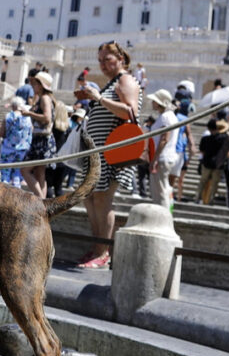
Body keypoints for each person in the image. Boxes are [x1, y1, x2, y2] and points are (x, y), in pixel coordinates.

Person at [74, 41, 142, 269]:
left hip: (110, 152)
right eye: (100, 60)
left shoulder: (126, 80)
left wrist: (99, 98)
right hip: (97, 151)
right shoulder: (113, 82)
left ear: (121, 59)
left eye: (108, 59)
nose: (103, 64)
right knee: (89, 198)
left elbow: (130, 111)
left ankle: (104, 252)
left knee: (103, 199)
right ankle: (97, 247)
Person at [20, 71, 58, 198]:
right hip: (42, 139)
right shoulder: (42, 98)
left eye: (35, 83)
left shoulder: (45, 98)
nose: (32, 86)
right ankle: (42, 203)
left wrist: (29, 114)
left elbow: (46, 118)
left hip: (43, 140)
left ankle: (40, 201)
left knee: (24, 170)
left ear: (41, 85)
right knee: (39, 173)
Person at [147, 89, 179, 209]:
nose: (152, 103)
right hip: (167, 156)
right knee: (165, 189)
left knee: (159, 192)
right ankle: (167, 216)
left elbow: (164, 139)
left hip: (162, 158)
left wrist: (154, 159)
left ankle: (163, 218)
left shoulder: (165, 117)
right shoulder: (169, 116)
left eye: (154, 101)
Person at [0, 97, 33, 188]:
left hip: (8, 149)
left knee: (5, 174)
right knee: (17, 175)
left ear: (13, 105)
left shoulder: (9, 116)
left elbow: (1, 133)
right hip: (22, 149)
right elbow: (31, 131)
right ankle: (17, 193)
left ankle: (4, 194)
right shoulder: (28, 118)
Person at [195, 117, 229, 205]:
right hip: (218, 164)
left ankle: (197, 198)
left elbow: (202, 151)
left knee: (203, 181)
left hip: (206, 163)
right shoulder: (223, 139)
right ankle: (210, 200)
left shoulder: (205, 139)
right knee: (214, 184)